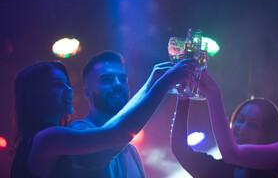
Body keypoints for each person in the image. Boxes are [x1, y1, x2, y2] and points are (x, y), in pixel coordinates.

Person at [10, 57, 196, 178]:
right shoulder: (47, 139)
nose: (68, 89)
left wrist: (151, 83)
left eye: (67, 83)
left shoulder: (47, 138)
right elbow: (116, 133)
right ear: (36, 94)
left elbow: (113, 130)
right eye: (58, 84)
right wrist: (165, 82)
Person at [171, 92, 278, 177]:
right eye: (240, 120)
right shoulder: (217, 170)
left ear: (268, 136)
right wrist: (184, 95)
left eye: (253, 126)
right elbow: (180, 149)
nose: (242, 128)